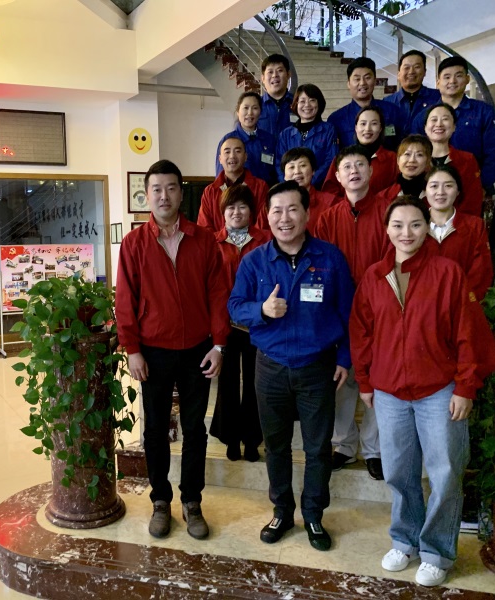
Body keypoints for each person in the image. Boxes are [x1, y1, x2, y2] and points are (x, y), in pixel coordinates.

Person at [350, 195, 495, 587]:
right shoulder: (374, 276)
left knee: (446, 472)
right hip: (390, 391)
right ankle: (405, 540)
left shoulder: (447, 273)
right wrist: (365, 380)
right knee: (399, 472)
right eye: (398, 225)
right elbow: (361, 332)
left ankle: (437, 552)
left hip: (439, 390)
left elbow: (466, 333)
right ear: (386, 230)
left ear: (427, 228)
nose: (407, 233)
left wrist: (465, 386)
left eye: (415, 224)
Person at [228, 180, 353, 552]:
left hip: (317, 367)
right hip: (270, 367)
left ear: (307, 213)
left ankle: (313, 514)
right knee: (276, 446)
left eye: (292, 209)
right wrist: (262, 310)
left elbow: (350, 313)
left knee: (318, 448)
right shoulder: (254, 261)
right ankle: (282, 511)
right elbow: (235, 307)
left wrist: (344, 358)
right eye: (277, 211)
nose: (285, 218)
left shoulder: (330, 258)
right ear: (266, 217)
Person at [116, 159, 230, 541]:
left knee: (195, 429)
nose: (163, 196)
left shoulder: (204, 240)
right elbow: (125, 300)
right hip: (154, 351)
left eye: (170, 188)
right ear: (147, 195)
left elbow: (218, 295)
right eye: (156, 189)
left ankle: (192, 501)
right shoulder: (134, 244)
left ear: (181, 193)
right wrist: (132, 349)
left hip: (198, 349)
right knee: (155, 429)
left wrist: (219, 344)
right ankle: (161, 501)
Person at [316, 146, 389, 481]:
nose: (355, 170)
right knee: (342, 377)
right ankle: (344, 445)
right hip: (339, 310)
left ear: (371, 172)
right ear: (338, 176)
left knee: (377, 376)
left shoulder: (388, 212)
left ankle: (374, 450)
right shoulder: (327, 218)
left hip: (379, 309)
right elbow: (321, 265)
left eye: (361, 164)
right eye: (347, 166)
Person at [210, 185, 271, 463]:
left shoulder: (266, 240)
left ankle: (252, 440)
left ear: (252, 211)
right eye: (230, 207)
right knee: (228, 383)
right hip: (224, 324)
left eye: (242, 206)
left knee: (256, 384)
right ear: (223, 213)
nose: (236, 212)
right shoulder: (213, 242)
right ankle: (231, 438)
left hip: (257, 323)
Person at [412, 55, 495, 198]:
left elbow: (494, 154)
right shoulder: (423, 116)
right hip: (432, 192)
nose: (452, 81)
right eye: (447, 77)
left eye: (458, 76)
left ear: (467, 79)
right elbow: (415, 151)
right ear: (438, 83)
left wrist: (480, 186)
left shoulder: (483, 112)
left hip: (474, 188)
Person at [426, 165, 493, 301]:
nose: (440, 192)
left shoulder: (475, 226)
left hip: (461, 304)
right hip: (421, 305)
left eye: (448, 186)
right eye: (434, 186)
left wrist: (459, 300)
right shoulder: (413, 226)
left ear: (458, 191)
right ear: (425, 190)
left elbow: (481, 272)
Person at [327, 57, 405, 151]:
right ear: (348, 83)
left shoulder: (393, 112)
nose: (362, 83)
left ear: (375, 81)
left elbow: (402, 147)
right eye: (357, 79)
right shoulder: (336, 119)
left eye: (367, 78)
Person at [321, 106, 398, 197]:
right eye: (363, 124)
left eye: (374, 123)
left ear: (381, 128)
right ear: (356, 128)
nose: (367, 129)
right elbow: (329, 194)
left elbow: (397, 190)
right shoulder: (341, 158)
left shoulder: (392, 158)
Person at [423, 103, 484, 217]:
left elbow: (473, 200)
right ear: (425, 127)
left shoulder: (467, 160)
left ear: (454, 127)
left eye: (445, 119)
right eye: (434, 120)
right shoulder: (416, 161)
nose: (439, 124)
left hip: (458, 224)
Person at [276, 84, 338, 189]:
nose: (307, 105)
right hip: (291, 190)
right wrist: (290, 185)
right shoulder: (285, 134)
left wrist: (309, 182)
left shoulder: (328, 130)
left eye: (312, 100)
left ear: (319, 103)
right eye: (302, 101)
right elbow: (279, 164)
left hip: (320, 189)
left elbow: (331, 160)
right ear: (296, 104)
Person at [198, 137, 268, 231]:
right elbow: (204, 229)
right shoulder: (210, 191)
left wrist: (247, 240)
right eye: (227, 152)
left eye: (237, 151)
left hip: (254, 240)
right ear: (220, 159)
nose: (232, 156)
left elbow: (263, 225)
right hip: (217, 241)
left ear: (245, 157)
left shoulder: (260, 187)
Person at [215, 91, 278, 185]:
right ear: (238, 111)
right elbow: (220, 177)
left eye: (255, 108)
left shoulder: (269, 140)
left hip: (265, 192)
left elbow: (275, 172)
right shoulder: (227, 141)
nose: (250, 113)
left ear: (260, 112)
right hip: (238, 193)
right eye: (246, 108)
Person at [281, 147, 338, 235]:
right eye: (291, 167)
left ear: (313, 170)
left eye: (303, 165)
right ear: (284, 175)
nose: (297, 171)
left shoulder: (331, 203)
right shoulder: (274, 204)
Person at [384, 50, 441, 133]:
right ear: (399, 74)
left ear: (424, 72)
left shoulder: (438, 98)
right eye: (406, 68)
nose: (411, 72)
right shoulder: (387, 103)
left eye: (417, 67)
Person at [376, 135, 432, 204]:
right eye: (407, 154)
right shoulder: (383, 197)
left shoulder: (436, 194)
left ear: (428, 161)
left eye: (419, 155)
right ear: (398, 160)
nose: (412, 160)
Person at [257, 54, 294, 139]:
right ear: (263, 78)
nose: (274, 75)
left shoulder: (299, 104)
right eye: (270, 72)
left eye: (280, 70)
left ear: (288, 74)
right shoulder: (256, 106)